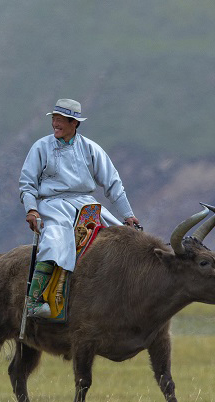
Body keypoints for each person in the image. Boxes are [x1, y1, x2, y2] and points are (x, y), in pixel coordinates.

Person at [19, 98, 140, 318]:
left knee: (126, 239)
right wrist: (32, 209)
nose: (55, 123)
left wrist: (128, 215)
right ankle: (34, 301)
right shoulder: (41, 147)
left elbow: (113, 183)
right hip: (52, 204)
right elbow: (28, 183)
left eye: (60, 120)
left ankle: (128, 298)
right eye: (53, 119)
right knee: (54, 242)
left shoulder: (91, 149)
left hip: (87, 205)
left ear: (74, 123)